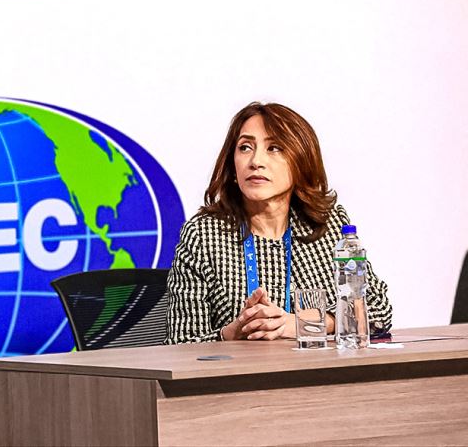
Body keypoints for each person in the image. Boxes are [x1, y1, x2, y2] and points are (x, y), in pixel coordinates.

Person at [165, 102, 392, 343]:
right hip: (240, 367)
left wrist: (306, 323)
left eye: (274, 148)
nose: (256, 161)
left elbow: (379, 311)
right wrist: (230, 334)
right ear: (232, 165)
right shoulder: (204, 234)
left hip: (316, 365)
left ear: (301, 162)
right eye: (245, 147)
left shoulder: (327, 224)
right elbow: (180, 343)